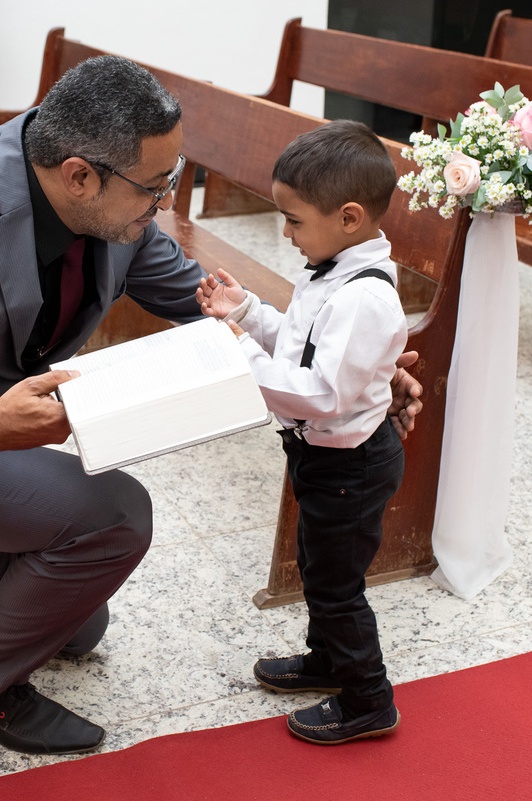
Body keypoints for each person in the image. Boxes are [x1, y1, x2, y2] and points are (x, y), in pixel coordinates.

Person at [0, 57, 423, 756]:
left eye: (171, 181)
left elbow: (200, 299)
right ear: (80, 174)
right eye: (156, 189)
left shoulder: (109, 209)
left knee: (79, 628)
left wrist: (353, 363)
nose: (164, 206)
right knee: (116, 518)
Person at [196, 119, 407, 745]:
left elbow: (321, 393)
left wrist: (239, 353)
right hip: (324, 460)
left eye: (293, 221)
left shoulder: (365, 297)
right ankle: (328, 663)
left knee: (337, 587)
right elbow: (300, 343)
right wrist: (247, 313)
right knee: (319, 570)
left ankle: (369, 700)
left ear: (348, 218)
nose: (285, 234)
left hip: (352, 465)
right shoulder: (333, 270)